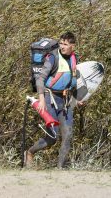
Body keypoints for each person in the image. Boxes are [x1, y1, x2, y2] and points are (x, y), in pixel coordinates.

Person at [25, 32, 83, 168]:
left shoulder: (75, 58)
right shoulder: (53, 57)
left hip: (66, 100)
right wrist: (42, 100)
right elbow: (40, 79)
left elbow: (74, 80)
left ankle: (59, 169)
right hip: (50, 98)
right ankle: (30, 152)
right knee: (52, 137)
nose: (62, 46)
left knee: (68, 135)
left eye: (66, 44)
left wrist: (77, 98)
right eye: (61, 43)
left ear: (73, 46)